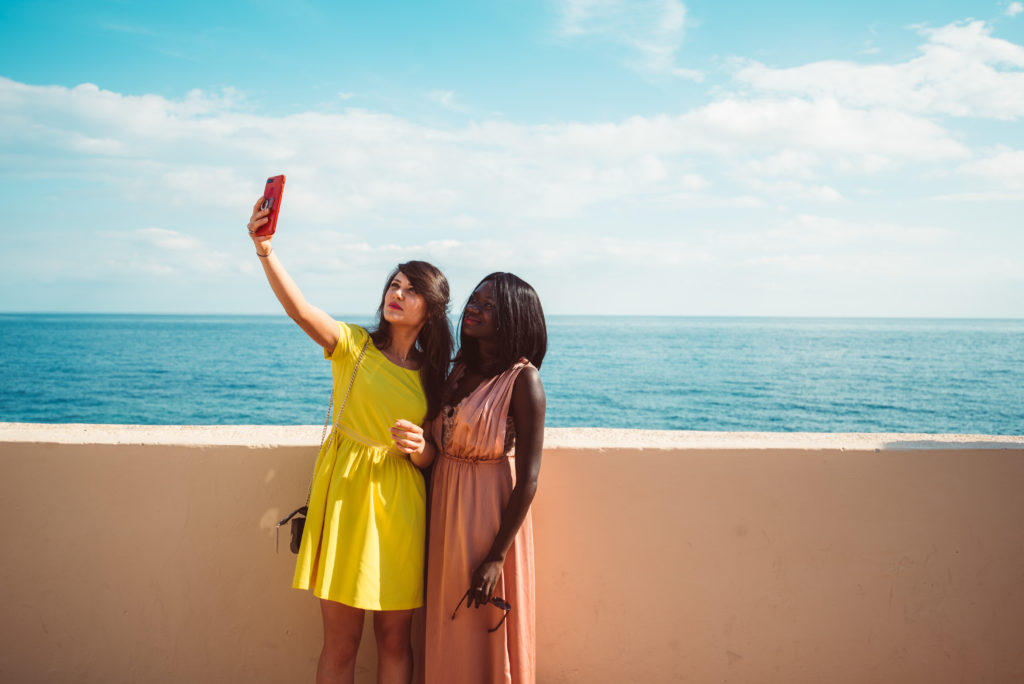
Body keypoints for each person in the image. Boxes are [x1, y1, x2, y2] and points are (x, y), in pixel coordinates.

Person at [245, 198, 453, 684]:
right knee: (340, 643)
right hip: (345, 501)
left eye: (411, 290)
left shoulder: (435, 376)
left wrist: (419, 446)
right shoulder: (353, 344)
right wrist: (265, 250)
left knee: (396, 640)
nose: (397, 294)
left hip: (400, 510)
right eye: (394, 285)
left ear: (431, 308)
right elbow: (299, 311)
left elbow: (433, 458)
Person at [401, 272, 547, 684]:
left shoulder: (523, 380)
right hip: (443, 510)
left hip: (488, 516)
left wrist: (497, 556)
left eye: (488, 305)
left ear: (514, 317)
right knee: (444, 623)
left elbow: (529, 479)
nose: (473, 309)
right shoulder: (457, 369)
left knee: (480, 626)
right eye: (474, 300)